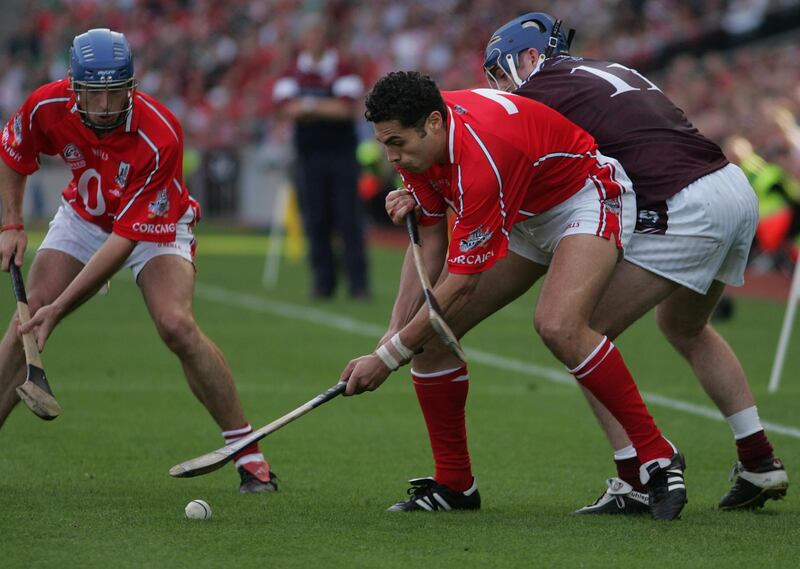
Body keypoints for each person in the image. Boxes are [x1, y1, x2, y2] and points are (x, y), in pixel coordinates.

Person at [462, 12, 786, 513]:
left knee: (579, 329)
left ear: (529, 56)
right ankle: (759, 459)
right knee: (685, 327)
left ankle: (636, 472)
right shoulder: (601, 69)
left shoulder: (541, 89)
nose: (501, 86)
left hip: (684, 201)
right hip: (728, 185)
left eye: (502, 72)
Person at [340, 70, 687, 521]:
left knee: (559, 325)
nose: (391, 156)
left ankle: (658, 458)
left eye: (397, 143)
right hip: (521, 210)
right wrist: (392, 337)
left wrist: (386, 361)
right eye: (385, 143)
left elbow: (460, 285)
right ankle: (455, 485)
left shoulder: (479, 159)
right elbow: (428, 246)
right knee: (424, 340)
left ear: (433, 123)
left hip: (583, 195)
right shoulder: (417, 145)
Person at [0, 28, 276, 494]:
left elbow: (124, 241)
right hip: (84, 215)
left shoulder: (161, 134)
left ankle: (247, 451)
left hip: (156, 224)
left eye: (115, 93)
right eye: (94, 94)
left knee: (176, 325)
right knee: (24, 322)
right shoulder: (47, 105)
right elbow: (14, 152)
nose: (105, 107)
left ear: (132, 86)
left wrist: (62, 306)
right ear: (74, 87)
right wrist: (11, 223)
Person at [273, 13, 370, 300]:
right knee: (316, 220)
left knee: (348, 219)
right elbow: (283, 108)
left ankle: (358, 284)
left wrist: (307, 106)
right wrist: (324, 106)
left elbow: (346, 109)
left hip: (341, 155)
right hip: (310, 157)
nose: (313, 40)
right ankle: (323, 283)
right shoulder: (293, 70)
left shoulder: (342, 67)